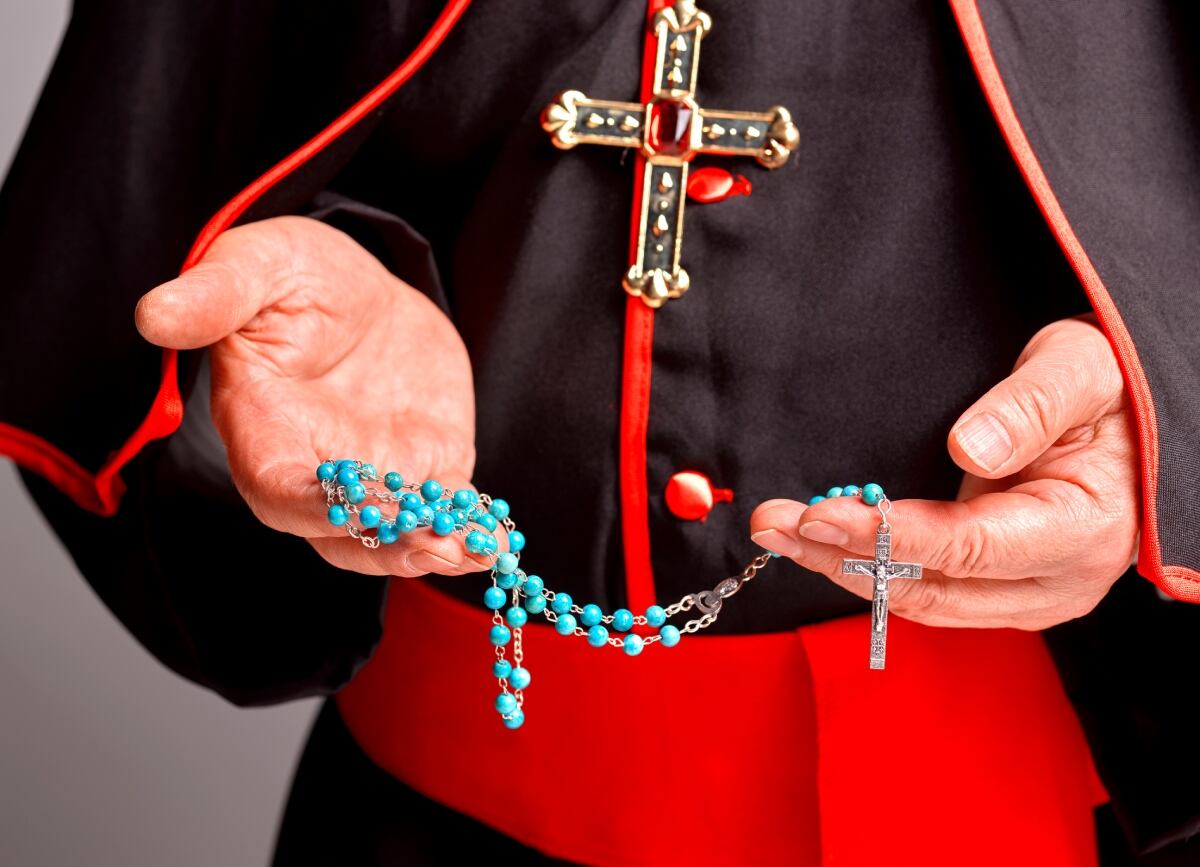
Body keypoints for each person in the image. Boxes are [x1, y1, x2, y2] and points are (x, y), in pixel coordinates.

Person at [2, 0, 1198, 864]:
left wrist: (1171, 416)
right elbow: (126, 243)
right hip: (433, 819)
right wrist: (228, 387)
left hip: (1016, 814)